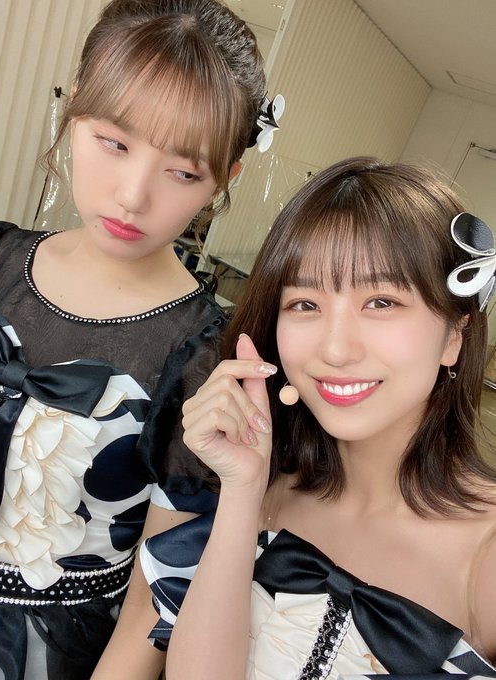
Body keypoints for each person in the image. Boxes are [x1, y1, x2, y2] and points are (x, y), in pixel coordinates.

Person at [0, 1, 274, 678]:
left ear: (225, 178)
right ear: (73, 108)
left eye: (183, 172)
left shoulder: (205, 356)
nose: (133, 196)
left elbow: (154, 601)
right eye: (113, 143)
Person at [142, 157, 496, 679]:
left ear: (453, 338)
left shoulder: (486, 553)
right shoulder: (261, 494)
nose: (334, 349)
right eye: (305, 304)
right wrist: (243, 491)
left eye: (381, 301)